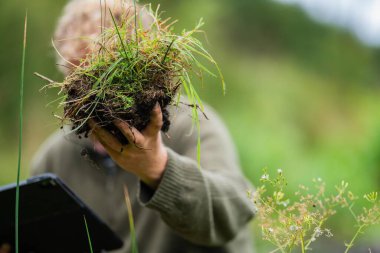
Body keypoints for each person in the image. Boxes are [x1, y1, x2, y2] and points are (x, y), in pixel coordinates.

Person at [31, 0, 255, 252]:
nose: (93, 102)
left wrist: (157, 167)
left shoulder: (193, 126)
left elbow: (235, 213)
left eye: (103, 82)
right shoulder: (55, 159)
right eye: (78, 87)